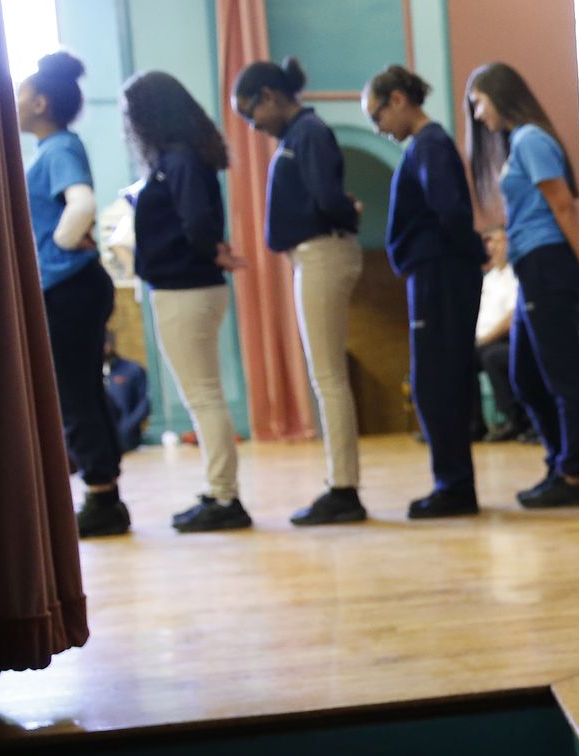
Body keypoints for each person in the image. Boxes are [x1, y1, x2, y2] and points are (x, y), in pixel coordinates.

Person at [233, 57, 367, 526]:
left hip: (322, 254)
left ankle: (344, 488)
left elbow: (328, 198)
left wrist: (348, 213)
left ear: (269, 95)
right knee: (325, 374)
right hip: (313, 255)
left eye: (252, 114)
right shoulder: (297, 136)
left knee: (328, 376)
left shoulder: (308, 133)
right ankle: (341, 483)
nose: (253, 126)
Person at [122, 70, 253, 532]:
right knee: (204, 394)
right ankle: (219, 491)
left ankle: (224, 496)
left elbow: (196, 222)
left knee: (203, 396)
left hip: (185, 287)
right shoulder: (183, 158)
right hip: (190, 286)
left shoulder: (177, 160)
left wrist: (209, 247)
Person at [465, 63, 579, 508]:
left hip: (548, 262)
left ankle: (571, 476)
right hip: (532, 267)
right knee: (522, 374)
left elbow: (563, 206)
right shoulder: (521, 141)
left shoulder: (531, 139)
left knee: (562, 377)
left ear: (499, 95)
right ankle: (560, 464)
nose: (478, 114)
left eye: (478, 102)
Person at [364, 65, 485, 518]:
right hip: (437, 270)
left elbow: (451, 213)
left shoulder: (430, 145)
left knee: (435, 381)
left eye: (377, 116)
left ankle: (453, 486)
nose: (378, 128)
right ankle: (453, 483)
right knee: (439, 378)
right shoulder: (426, 146)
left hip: (440, 272)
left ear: (398, 99)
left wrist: (471, 251)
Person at [19, 51, 128, 537]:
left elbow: (81, 201)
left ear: (40, 102)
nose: (12, 103)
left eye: (19, 95)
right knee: (84, 389)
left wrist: (62, 244)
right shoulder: (54, 148)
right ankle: (105, 493)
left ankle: (102, 499)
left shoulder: (58, 148)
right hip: (75, 286)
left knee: (76, 393)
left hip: (68, 286)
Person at [475, 227, 531, 443]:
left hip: (505, 339)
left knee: (491, 356)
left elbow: (511, 318)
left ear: (508, 242)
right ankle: (472, 425)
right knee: (459, 358)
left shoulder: (515, 274)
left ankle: (512, 419)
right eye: (488, 242)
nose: (491, 246)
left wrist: (484, 340)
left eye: (496, 241)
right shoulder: (489, 278)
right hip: (481, 341)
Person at [104, 332, 149, 452]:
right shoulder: (89, 374)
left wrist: (127, 426)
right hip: (100, 440)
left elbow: (145, 402)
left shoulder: (132, 369)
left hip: (127, 439)